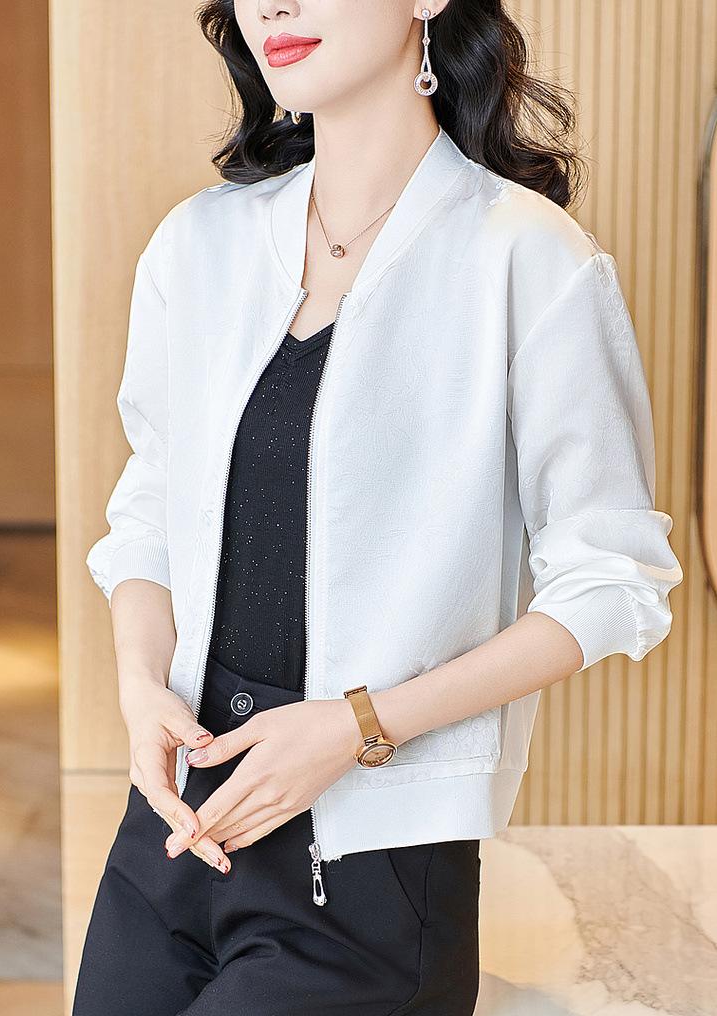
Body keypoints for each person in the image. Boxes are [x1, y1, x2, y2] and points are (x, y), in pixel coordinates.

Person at [72, 2, 684, 1014]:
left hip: (367, 876)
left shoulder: (527, 259)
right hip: (174, 831)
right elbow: (148, 508)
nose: (273, 4)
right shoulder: (199, 245)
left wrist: (356, 728)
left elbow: (614, 580)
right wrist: (143, 687)